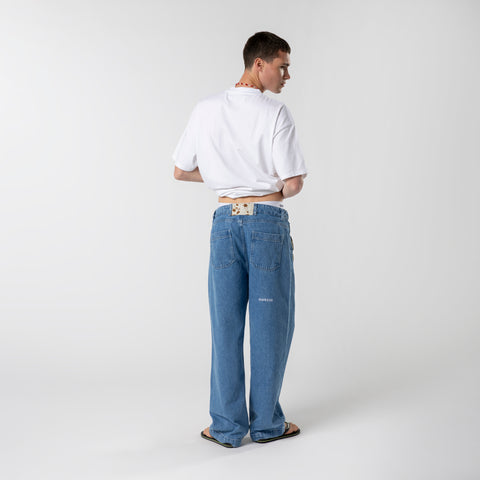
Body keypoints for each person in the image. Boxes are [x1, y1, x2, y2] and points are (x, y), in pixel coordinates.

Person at [172, 31, 307, 448]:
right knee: (270, 326)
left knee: (225, 326)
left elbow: (180, 170)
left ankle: (227, 428)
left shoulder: (206, 109)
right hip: (266, 224)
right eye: (282, 66)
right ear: (259, 64)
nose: (287, 75)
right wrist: (263, 186)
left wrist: (225, 179)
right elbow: (293, 183)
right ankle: (265, 425)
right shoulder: (275, 111)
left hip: (224, 224)